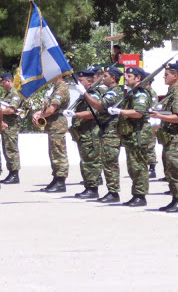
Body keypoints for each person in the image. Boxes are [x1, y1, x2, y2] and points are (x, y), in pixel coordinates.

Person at [150, 62, 178, 213]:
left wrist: (159, 116)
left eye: (167, 75)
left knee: (177, 169)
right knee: (170, 170)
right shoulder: (171, 92)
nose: (164, 77)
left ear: (175, 76)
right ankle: (175, 198)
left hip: (177, 138)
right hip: (169, 138)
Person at [110, 67, 152, 206]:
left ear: (138, 78)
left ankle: (140, 196)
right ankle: (136, 194)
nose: (126, 78)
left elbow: (138, 112)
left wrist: (120, 111)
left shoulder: (141, 94)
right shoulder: (132, 93)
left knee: (139, 166)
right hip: (131, 135)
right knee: (133, 166)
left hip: (138, 134)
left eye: (129, 76)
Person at [81, 66, 124, 203]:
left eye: (105, 76)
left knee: (110, 162)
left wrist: (85, 94)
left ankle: (113, 192)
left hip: (112, 131)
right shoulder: (109, 91)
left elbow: (99, 106)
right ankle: (111, 191)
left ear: (113, 78)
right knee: (106, 161)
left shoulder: (114, 92)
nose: (102, 78)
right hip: (106, 129)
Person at [64, 68, 104, 199]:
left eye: (81, 81)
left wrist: (75, 114)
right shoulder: (85, 95)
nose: (78, 84)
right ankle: (88, 186)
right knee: (85, 161)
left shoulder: (94, 95)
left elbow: (92, 113)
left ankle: (93, 188)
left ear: (90, 81)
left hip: (91, 134)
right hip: (83, 134)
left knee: (91, 162)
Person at [33, 76, 71, 193]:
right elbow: (47, 108)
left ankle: (61, 181)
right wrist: (39, 113)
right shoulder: (54, 87)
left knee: (59, 153)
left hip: (57, 124)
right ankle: (56, 178)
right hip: (52, 125)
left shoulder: (61, 87)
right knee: (53, 153)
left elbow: (51, 110)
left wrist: (41, 115)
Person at [0, 72, 23, 184]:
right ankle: (11, 173)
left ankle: (14, 175)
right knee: (6, 149)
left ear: (8, 81)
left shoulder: (15, 94)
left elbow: (11, 110)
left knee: (11, 150)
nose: (2, 85)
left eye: (3, 82)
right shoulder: (8, 94)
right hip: (6, 126)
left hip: (12, 126)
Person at [144, 79, 159, 179]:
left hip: (151, 122)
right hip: (146, 122)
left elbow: (153, 108)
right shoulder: (144, 92)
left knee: (150, 145)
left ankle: (152, 169)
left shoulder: (151, 93)